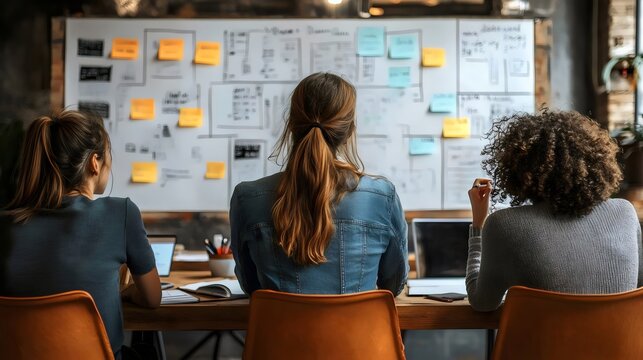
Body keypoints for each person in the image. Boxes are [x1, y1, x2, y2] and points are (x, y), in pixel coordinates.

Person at [230, 73, 408, 296]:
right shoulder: (381, 197)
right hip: (360, 331)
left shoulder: (247, 198)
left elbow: (251, 286)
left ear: (291, 126)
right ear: (349, 131)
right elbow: (394, 285)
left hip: (279, 331)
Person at [0, 110, 161, 357]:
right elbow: (152, 298)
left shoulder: (5, 226)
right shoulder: (121, 213)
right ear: (94, 163)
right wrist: (126, 292)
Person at [466, 110, 642, 311]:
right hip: (619, 343)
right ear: (597, 162)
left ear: (520, 171)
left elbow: (483, 303)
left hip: (541, 343)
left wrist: (479, 226)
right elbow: (637, 288)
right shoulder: (625, 213)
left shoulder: (505, 224)